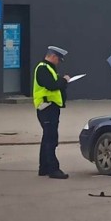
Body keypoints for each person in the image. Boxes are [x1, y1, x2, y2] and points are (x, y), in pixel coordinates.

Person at [33, 46, 71, 179]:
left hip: (50, 107)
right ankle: (53, 169)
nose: (59, 62)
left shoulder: (48, 68)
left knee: (47, 138)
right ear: (53, 56)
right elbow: (52, 85)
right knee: (51, 139)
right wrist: (64, 80)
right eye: (59, 59)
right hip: (46, 107)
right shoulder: (43, 68)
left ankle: (43, 167)